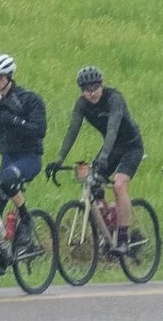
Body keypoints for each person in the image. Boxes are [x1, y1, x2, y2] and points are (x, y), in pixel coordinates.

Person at [52, 65, 146, 251]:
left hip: (131, 146)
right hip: (111, 148)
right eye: (87, 90)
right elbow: (73, 131)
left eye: (95, 88)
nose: (92, 93)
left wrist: (103, 156)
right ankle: (109, 224)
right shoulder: (82, 105)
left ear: (102, 85)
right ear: (82, 91)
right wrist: (59, 160)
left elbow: (112, 129)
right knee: (91, 182)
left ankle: (122, 238)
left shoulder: (114, 99)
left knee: (119, 185)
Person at [0, 53, 48, 252]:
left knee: (5, 180)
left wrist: (13, 120)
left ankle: (26, 217)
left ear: (9, 77)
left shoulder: (28, 99)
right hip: (8, 158)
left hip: (30, 158)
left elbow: (39, 130)